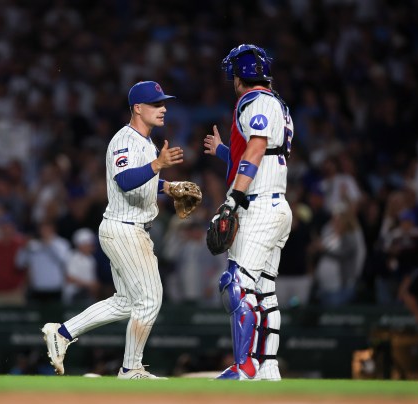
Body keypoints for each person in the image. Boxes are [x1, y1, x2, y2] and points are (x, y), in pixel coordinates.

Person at [42, 80, 184, 379]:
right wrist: (158, 165)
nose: (163, 108)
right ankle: (131, 367)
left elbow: (142, 181)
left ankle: (63, 332)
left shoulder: (146, 142)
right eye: (156, 104)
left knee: (125, 302)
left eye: (163, 103)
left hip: (129, 228)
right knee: (150, 299)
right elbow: (125, 180)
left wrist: (167, 187)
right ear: (137, 108)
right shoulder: (125, 140)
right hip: (125, 228)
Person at [203, 44, 293, 380]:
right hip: (275, 203)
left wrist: (232, 200)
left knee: (237, 285)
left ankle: (245, 367)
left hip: (258, 205)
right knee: (265, 291)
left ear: (239, 74)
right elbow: (263, 153)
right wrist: (225, 152)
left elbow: (256, 148)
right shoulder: (277, 104)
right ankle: (268, 366)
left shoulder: (256, 101)